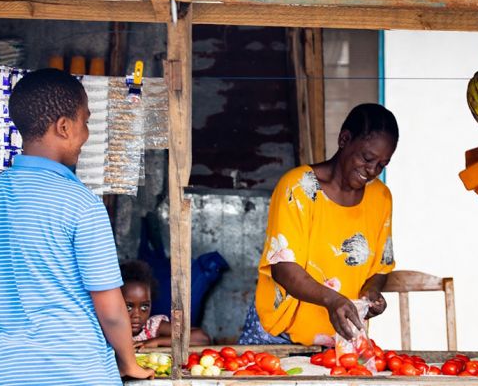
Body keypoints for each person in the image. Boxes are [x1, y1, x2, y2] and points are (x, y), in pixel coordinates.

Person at [0, 68, 154, 385]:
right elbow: (110, 309)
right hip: (80, 373)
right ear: (64, 127)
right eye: (86, 122)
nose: (86, 135)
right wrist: (129, 362)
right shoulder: (83, 204)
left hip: (5, 375)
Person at [239, 103, 398, 346]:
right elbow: (284, 269)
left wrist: (372, 292)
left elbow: (381, 267)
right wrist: (332, 300)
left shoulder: (381, 198)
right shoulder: (298, 188)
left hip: (338, 339)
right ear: (344, 139)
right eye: (367, 158)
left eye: (382, 164)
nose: (372, 170)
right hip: (278, 336)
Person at [120, 260, 210, 348]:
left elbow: (202, 338)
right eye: (128, 307)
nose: (137, 315)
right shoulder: (108, 332)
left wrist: (158, 341)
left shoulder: (152, 328)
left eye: (144, 307)